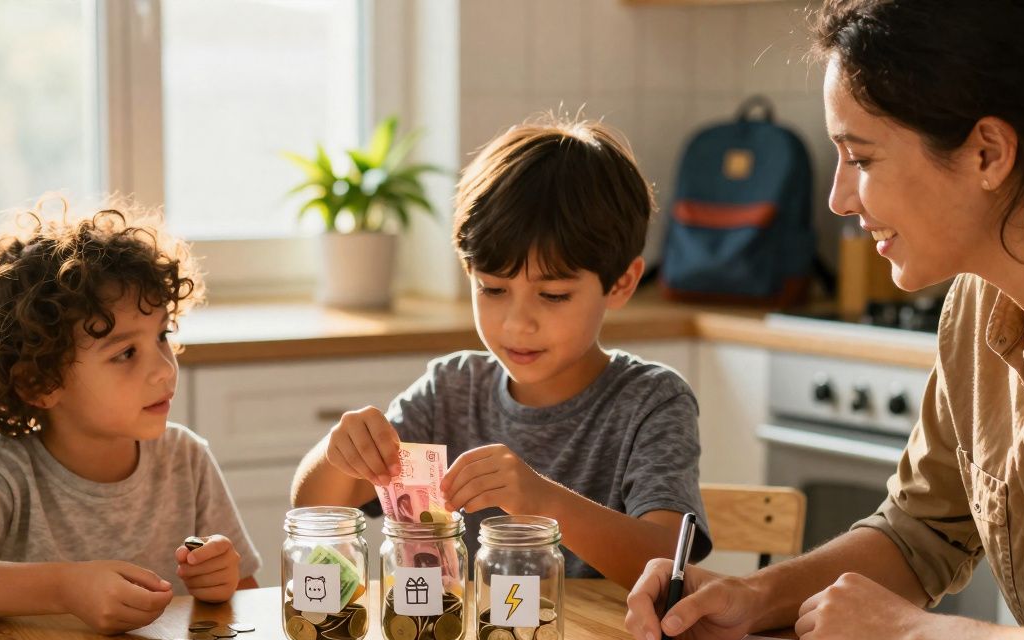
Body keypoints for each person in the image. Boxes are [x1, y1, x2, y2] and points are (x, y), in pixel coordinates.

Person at [626, 2, 1024, 640]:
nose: (838, 197)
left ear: (988, 153)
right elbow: (918, 533)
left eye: (861, 159)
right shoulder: (977, 302)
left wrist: (905, 636)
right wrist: (755, 597)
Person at [292, 117, 711, 586]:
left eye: (552, 295)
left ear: (623, 283)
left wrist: (541, 501)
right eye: (492, 289)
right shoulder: (450, 389)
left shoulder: (652, 402)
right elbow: (313, 508)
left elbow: (669, 566)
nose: (517, 322)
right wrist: (339, 452)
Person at [0, 199, 260, 634]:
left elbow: (246, 603)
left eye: (162, 336)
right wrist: (64, 587)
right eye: (125, 353)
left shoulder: (186, 459)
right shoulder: (0, 474)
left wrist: (220, 583)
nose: (163, 367)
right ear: (40, 384)